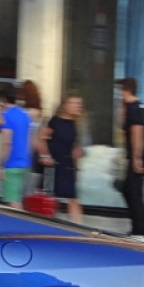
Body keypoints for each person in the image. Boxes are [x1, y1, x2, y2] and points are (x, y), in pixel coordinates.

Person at [37, 93, 85, 224]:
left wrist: (76, 168)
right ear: (65, 105)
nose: (77, 107)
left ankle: (78, 227)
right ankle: (45, 224)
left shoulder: (74, 124)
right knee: (48, 197)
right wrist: (45, 156)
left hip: (67, 164)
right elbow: (40, 139)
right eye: (73, 103)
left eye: (79, 104)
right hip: (54, 164)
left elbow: (74, 147)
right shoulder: (55, 121)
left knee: (72, 198)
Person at [118, 77, 144, 236]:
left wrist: (137, 158)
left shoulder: (136, 108)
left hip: (138, 157)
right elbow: (120, 123)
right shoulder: (131, 107)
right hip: (134, 156)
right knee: (129, 190)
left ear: (125, 90)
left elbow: (137, 134)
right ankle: (138, 227)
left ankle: (140, 230)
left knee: (133, 192)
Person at [0, 86, 32, 207]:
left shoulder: (6, 116)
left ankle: (20, 225)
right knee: (16, 197)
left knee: (13, 201)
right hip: (24, 161)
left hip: (11, 163)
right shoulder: (25, 115)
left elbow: (6, 142)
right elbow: (28, 139)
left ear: (3, 100)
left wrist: (1, 166)